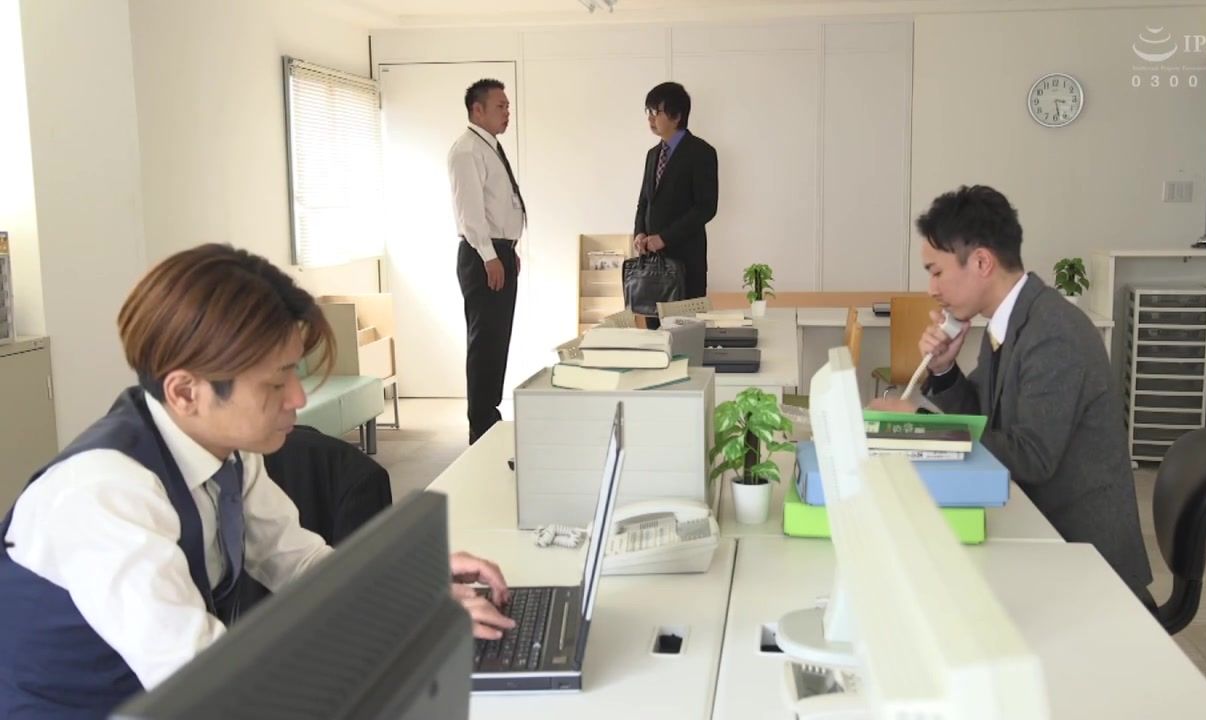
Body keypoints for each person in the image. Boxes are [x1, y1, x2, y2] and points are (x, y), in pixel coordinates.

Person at [0, 244, 514, 718]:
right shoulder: (104, 497)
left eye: (294, 372)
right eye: (274, 382)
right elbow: (204, 688)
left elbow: (300, 564)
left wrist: (415, 587)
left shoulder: (228, 452)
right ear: (185, 392)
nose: (297, 398)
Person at [870, 185, 1154, 603]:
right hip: (1035, 526)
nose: (931, 288)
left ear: (981, 262)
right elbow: (986, 420)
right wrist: (944, 369)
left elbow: (1031, 456)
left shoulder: (1054, 332)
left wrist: (920, 425)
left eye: (936, 271)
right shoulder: (1011, 321)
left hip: (1083, 562)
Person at [448, 78, 525, 445]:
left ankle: (488, 419)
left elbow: (497, 207)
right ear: (477, 110)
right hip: (483, 256)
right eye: (500, 106)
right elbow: (470, 213)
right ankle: (481, 426)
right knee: (485, 343)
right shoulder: (466, 150)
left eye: (507, 106)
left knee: (497, 340)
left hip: (498, 252)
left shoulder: (488, 146)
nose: (507, 112)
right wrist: (491, 256)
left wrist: (509, 250)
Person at [633, 81, 719, 299]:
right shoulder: (652, 154)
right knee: (653, 320)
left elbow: (705, 208)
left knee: (685, 320)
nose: (650, 118)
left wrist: (665, 238)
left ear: (677, 115)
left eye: (656, 112)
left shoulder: (701, 152)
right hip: (652, 265)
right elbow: (644, 201)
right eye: (648, 111)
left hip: (686, 262)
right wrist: (639, 232)